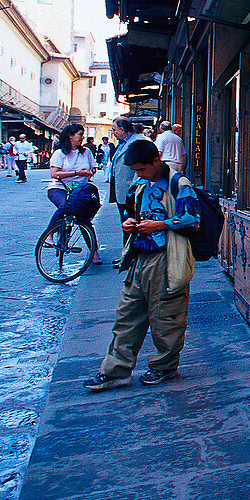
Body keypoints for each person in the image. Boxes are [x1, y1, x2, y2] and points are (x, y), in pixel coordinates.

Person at [83, 139, 200, 391]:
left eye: (142, 169)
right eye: (136, 171)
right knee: (127, 315)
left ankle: (164, 367)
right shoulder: (140, 184)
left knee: (166, 318)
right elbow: (132, 211)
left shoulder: (179, 183)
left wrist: (159, 225)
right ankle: (116, 371)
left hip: (166, 258)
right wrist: (129, 222)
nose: (139, 174)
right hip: (139, 257)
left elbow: (192, 219)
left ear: (157, 159)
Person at [47, 124, 102, 264]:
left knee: (84, 218)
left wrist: (90, 173)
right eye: (79, 134)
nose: (82, 137)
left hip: (80, 190)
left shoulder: (86, 152)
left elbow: (93, 168)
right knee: (66, 205)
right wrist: (77, 173)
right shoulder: (59, 154)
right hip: (60, 187)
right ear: (70, 136)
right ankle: (50, 234)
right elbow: (54, 174)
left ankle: (94, 251)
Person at [108, 118, 146, 220]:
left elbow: (142, 167)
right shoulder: (122, 143)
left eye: (114, 130)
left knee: (130, 221)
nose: (113, 133)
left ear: (122, 129)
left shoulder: (138, 141)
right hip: (121, 190)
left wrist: (134, 187)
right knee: (124, 221)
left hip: (130, 191)